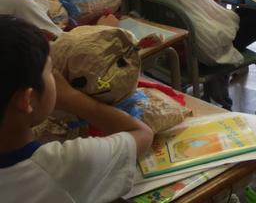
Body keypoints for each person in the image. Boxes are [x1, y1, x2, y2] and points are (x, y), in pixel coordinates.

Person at [0, 15, 153, 201]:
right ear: (28, 99)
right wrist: (73, 99)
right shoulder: (64, 166)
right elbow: (142, 134)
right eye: (50, 71)